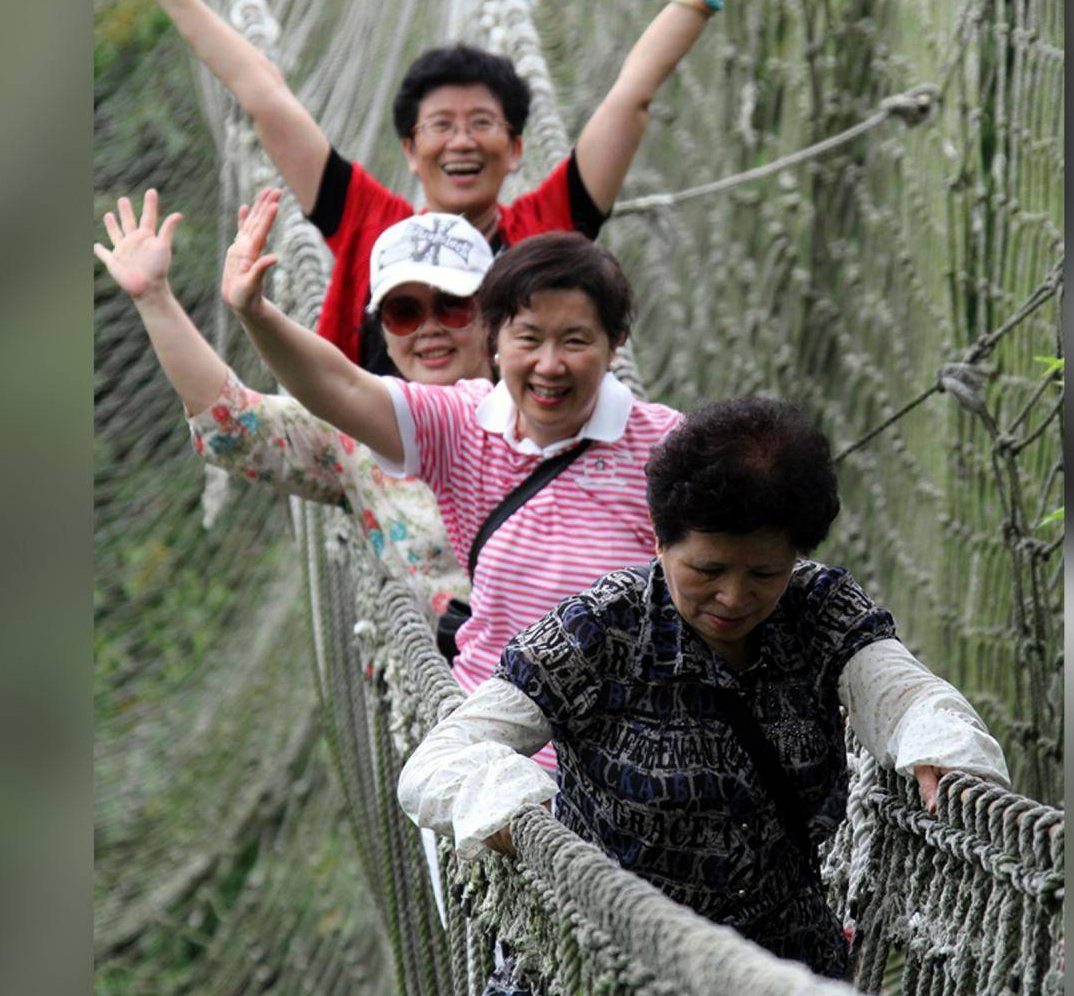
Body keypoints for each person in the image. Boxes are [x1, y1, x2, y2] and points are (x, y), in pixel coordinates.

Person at [94, 0, 808, 373]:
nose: (461, 140)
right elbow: (264, 96)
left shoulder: (548, 227)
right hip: (391, 479)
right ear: (409, 149)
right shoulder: (369, 228)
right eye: (440, 125)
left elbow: (632, 95)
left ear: (515, 147)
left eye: (482, 124)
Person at [396, 398, 1010, 984]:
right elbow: (440, 760)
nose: (734, 598)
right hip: (611, 964)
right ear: (659, 541)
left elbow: (903, 695)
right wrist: (520, 817)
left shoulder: (820, 610)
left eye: (764, 572)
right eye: (708, 570)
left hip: (779, 972)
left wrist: (941, 749)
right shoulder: (600, 630)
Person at [222, 190, 682, 769]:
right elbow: (338, 389)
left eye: (575, 341)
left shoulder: (667, 447)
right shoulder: (460, 423)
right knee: (429, 784)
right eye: (529, 338)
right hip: (497, 752)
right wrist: (255, 313)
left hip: (636, 759)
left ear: (615, 346)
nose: (549, 364)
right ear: (497, 341)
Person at [94, 189, 497, 618]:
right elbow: (233, 425)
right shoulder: (357, 437)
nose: (429, 328)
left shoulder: (548, 409)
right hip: (433, 678)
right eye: (404, 313)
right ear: (382, 330)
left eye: (452, 306)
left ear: (493, 313)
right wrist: (154, 299)